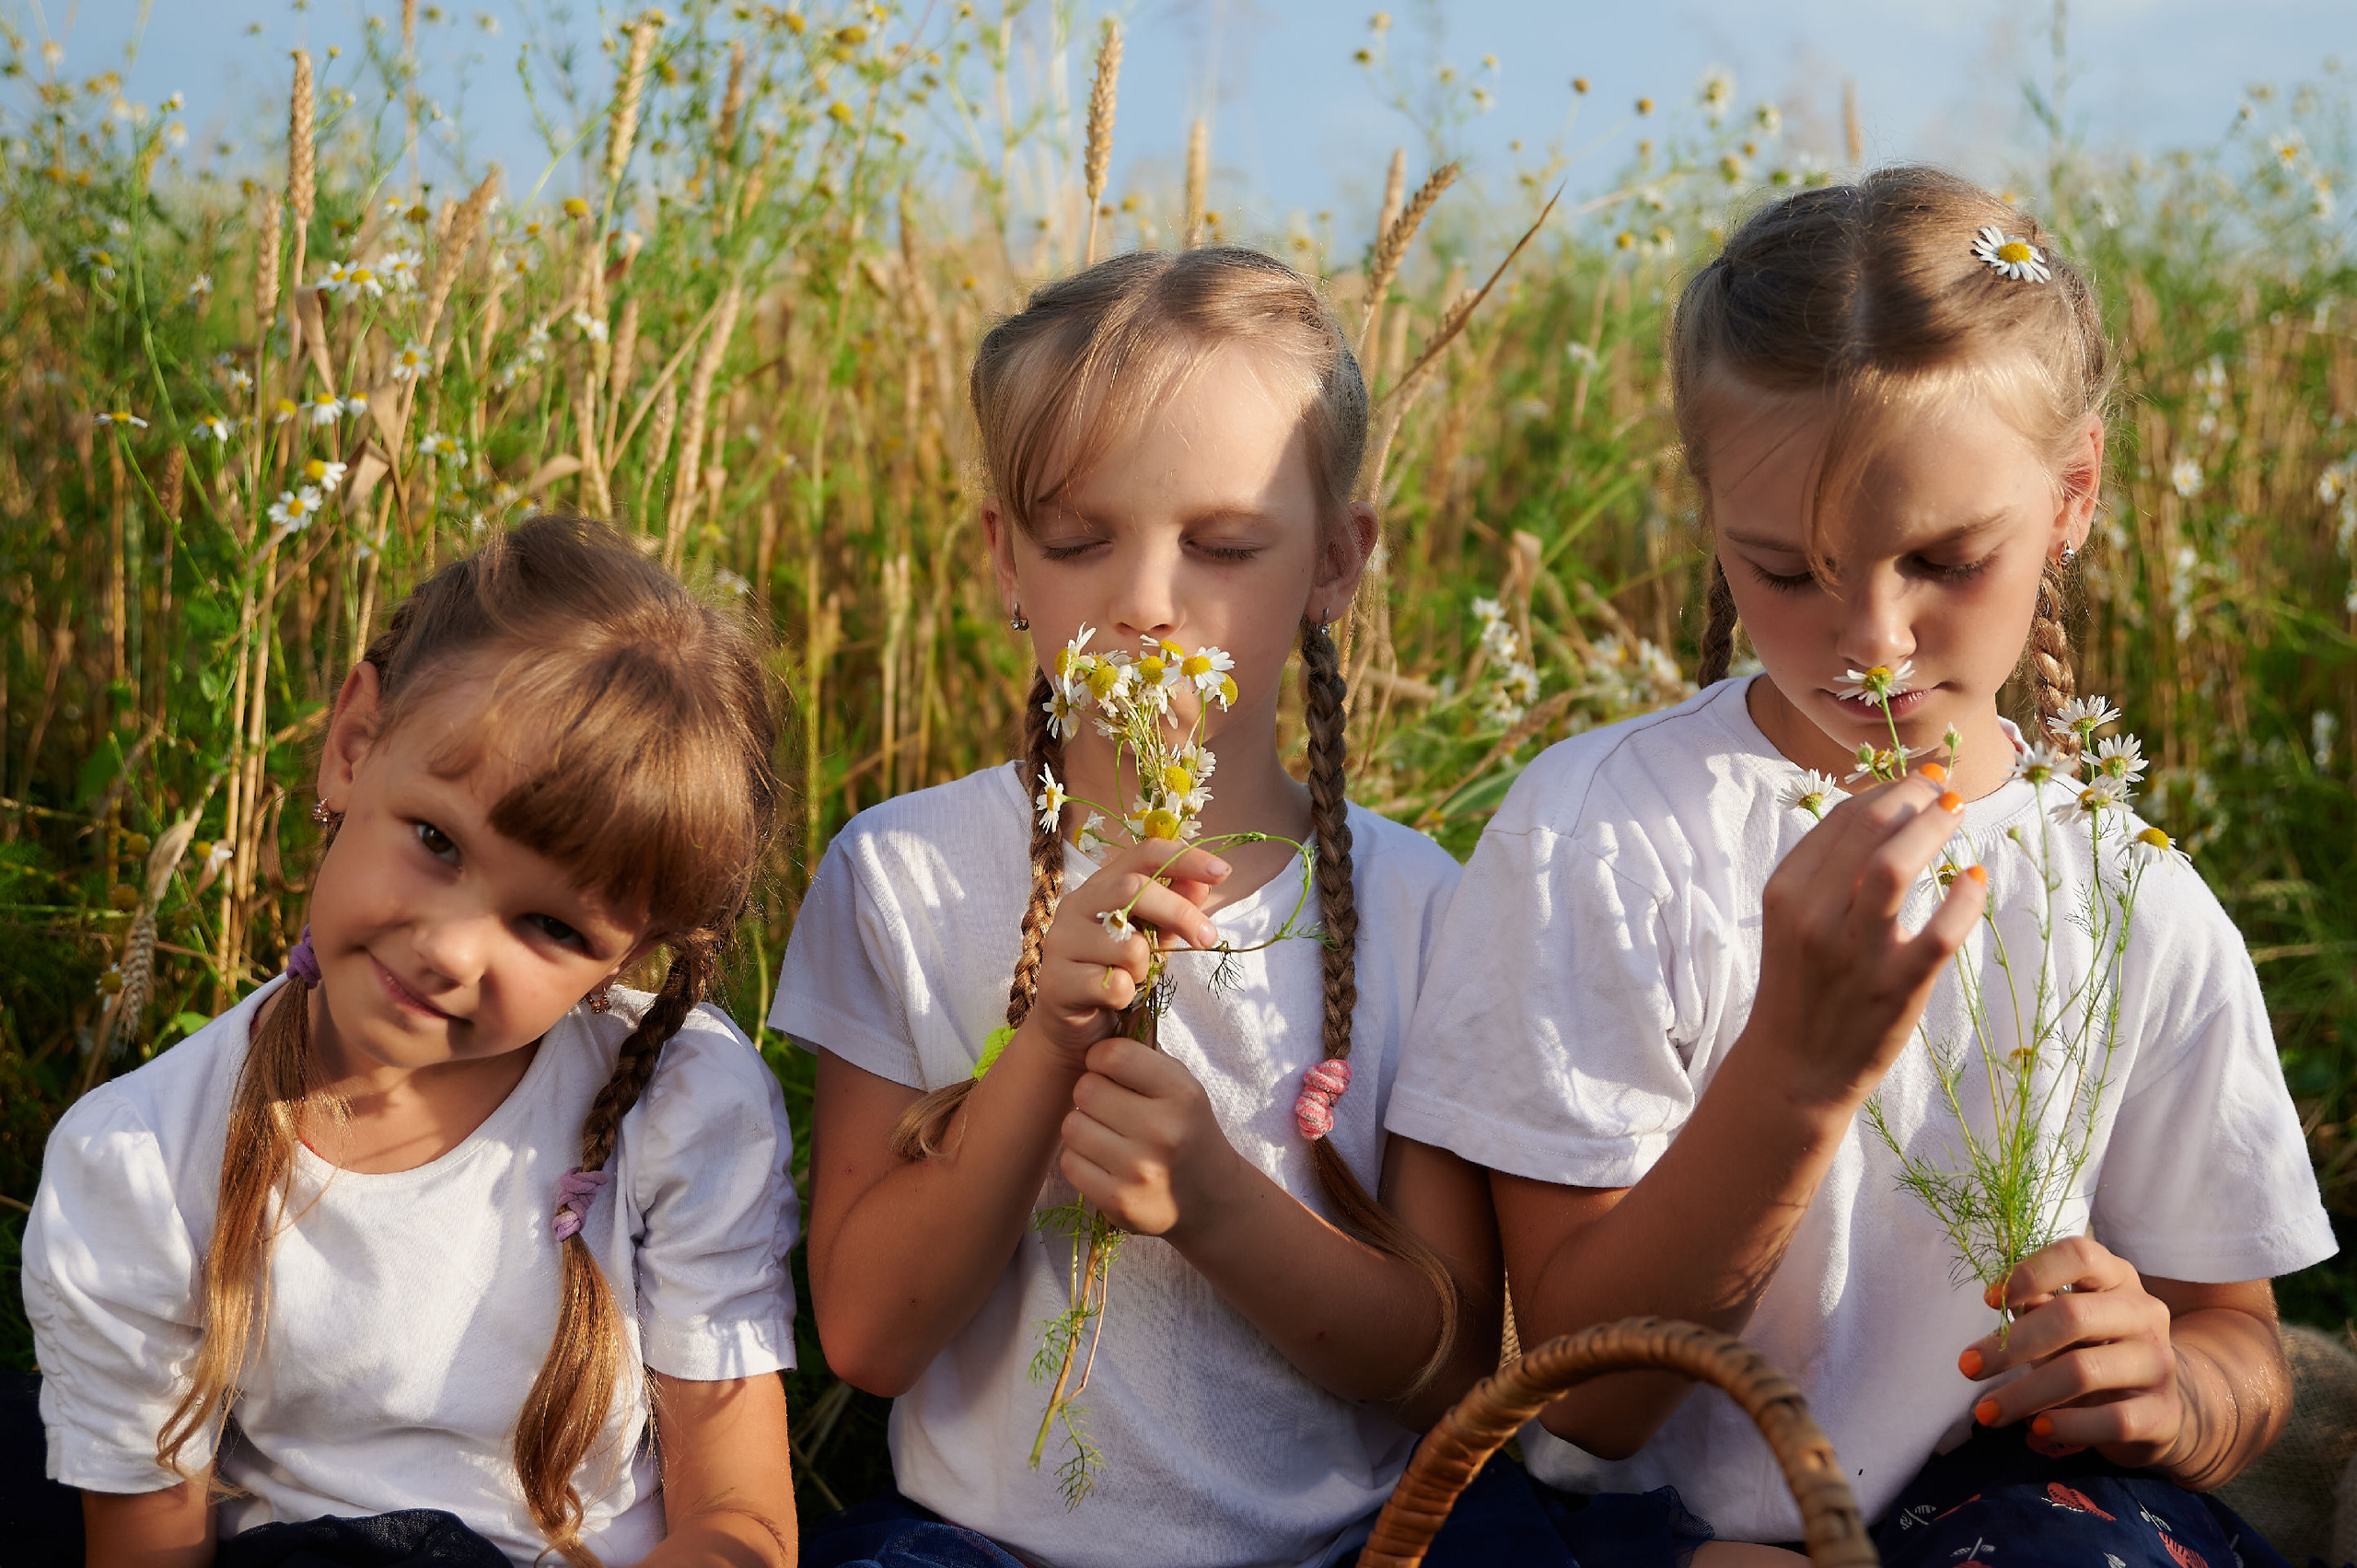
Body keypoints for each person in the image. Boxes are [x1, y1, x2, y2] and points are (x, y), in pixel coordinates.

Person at [1388, 168, 2337, 1562]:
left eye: (1946, 559)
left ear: (2071, 494)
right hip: (1643, 1521)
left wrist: (2175, 1384)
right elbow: (1594, 1401)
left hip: (1998, 1507)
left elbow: (2235, 1330)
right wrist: (1797, 1067)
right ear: (1711, 514)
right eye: (1786, 569)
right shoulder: (1603, 829)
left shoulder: (2130, 888)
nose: (1871, 640)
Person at [783, 249, 1700, 1568]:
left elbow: (1444, 1365)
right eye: (1076, 537)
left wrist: (1215, 1197)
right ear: (1002, 554)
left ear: (1335, 561)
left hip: (1353, 1543)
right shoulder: (905, 873)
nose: (1147, 605)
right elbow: (870, 1336)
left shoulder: (1415, 904)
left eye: (1221, 546)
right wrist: (1042, 1051)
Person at [24, 516, 801, 1568]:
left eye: (552, 926)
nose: (449, 950)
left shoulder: (682, 1105)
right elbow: (151, 1549)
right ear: (353, 746)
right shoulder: (143, 1160)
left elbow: (742, 1525)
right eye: (436, 840)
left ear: (627, 956)